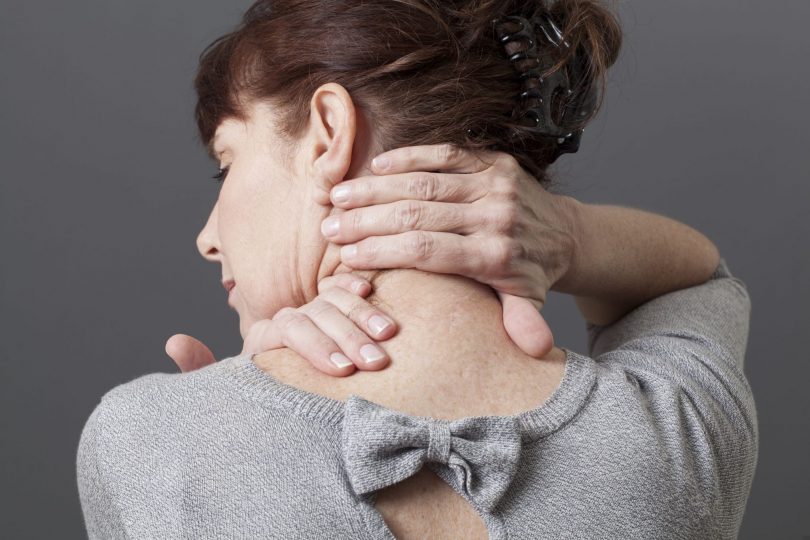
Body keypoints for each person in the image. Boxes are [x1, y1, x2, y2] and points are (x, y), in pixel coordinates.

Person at [77, 0, 758, 538]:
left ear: (327, 134)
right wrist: (569, 234)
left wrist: (211, 435)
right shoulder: (677, 439)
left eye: (227, 165)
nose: (207, 237)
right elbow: (698, 278)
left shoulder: (145, 441)